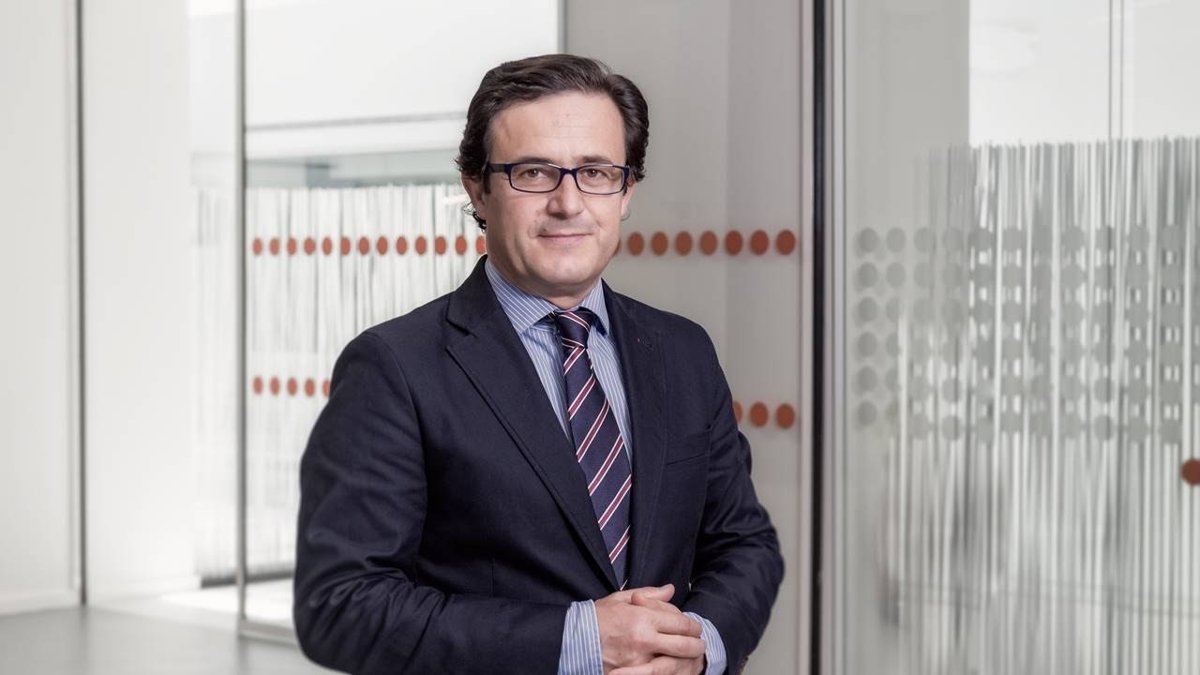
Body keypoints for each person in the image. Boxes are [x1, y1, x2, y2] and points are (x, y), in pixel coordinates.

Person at [294, 54, 783, 675]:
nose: (568, 203)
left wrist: (699, 646)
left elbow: (744, 544)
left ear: (627, 191)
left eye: (596, 172)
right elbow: (340, 604)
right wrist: (578, 639)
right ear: (478, 188)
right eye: (533, 173)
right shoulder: (395, 368)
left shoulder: (683, 351)